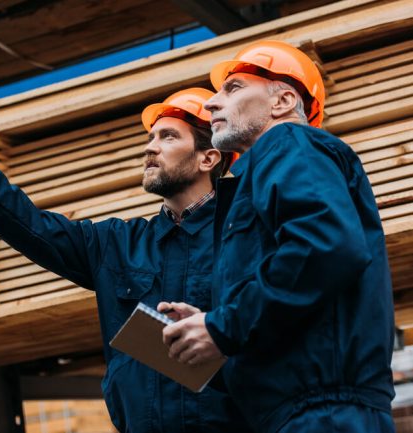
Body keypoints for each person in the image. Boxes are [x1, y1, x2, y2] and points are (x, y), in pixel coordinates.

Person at [0, 88, 250, 433]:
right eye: (150, 137)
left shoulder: (247, 231)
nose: (150, 147)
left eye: (167, 136)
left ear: (207, 159)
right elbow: (29, 225)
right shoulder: (116, 244)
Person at [160, 40, 395, 433]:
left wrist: (224, 327)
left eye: (232, 89)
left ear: (283, 101)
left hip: (323, 415)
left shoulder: (288, 143)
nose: (212, 104)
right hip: (298, 415)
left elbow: (325, 247)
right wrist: (212, 322)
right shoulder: (260, 178)